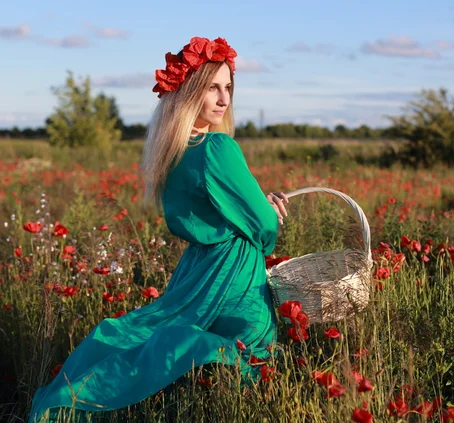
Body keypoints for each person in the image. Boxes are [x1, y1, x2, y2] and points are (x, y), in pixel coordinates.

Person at [28, 36, 289, 423]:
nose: (224, 99)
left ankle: (95, 397)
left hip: (196, 269)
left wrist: (252, 210)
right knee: (250, 351)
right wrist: (267, 221)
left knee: (161, 336)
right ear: (189, 94)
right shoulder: (218, 147)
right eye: (212, 88)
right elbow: (264, 225)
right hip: (232, 272)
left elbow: (211, 211)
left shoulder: (173, 151)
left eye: (229, 87)